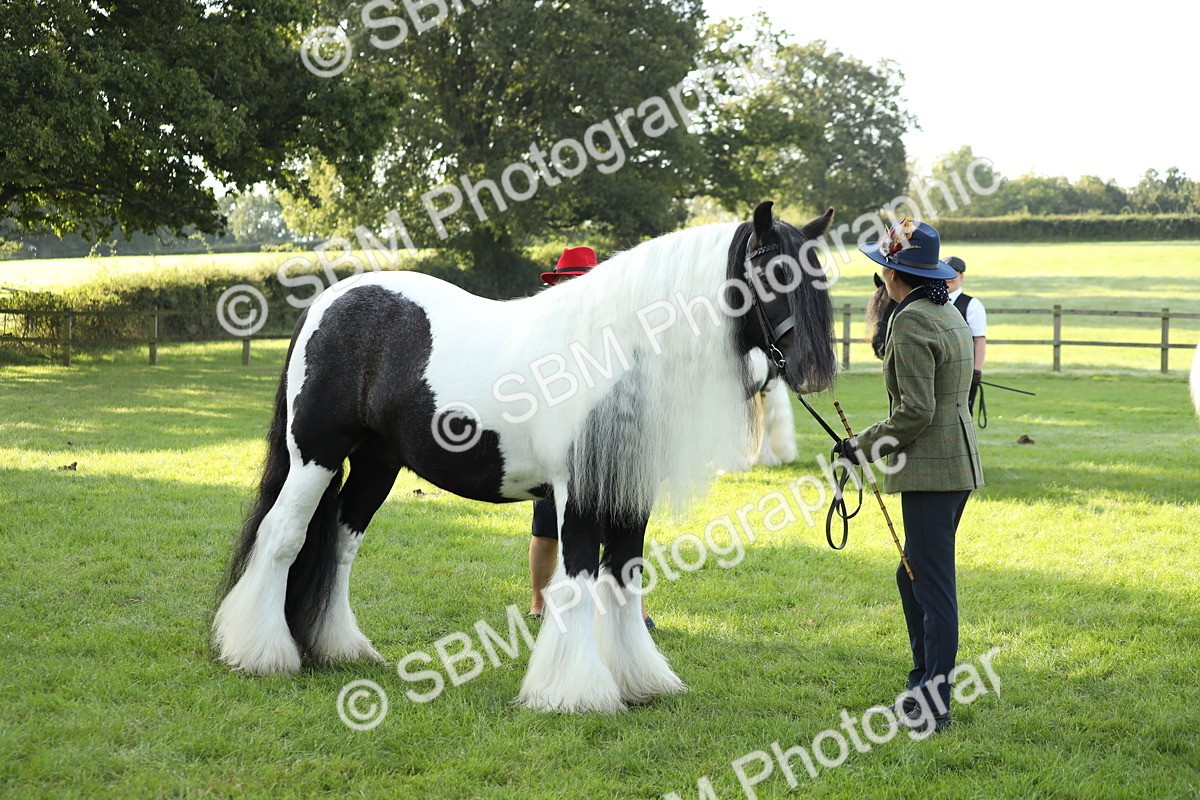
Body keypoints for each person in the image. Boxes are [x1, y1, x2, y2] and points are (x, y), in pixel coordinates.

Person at [837, 219, 984, 733]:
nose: (881, 277)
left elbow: (916, 411)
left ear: (895, 274)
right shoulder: (947, 313)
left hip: (932, 471)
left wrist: (859, 447)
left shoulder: (912, 321)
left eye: (884, 269)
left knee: (932, 585)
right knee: (913, 574)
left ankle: (933, 703)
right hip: (956, 464)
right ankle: (922, 677)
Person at [529, 246, 655, 629]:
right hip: (559, 442)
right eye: (567, 280)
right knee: (547, 529)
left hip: (610, 442)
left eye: (578, 280)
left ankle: (634, 607)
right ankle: (538, 600)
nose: (572, 286)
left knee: (623, 532)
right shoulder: (545, 325)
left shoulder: (614, 326)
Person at [944, 256, 987, 415]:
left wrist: (976, 372)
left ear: (962, 276)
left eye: (953, 273)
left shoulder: (972, 305)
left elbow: (979, 340)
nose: (948, 278)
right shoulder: (932, 302)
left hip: (964, 373)